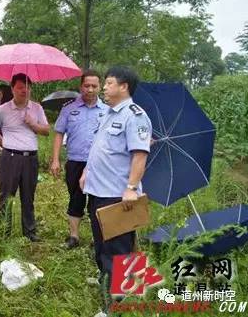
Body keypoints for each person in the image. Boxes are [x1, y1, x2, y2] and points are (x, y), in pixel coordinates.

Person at [79, 66, 152, 314]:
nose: (104, 87)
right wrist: (86, 172)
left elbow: (140, 155)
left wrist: (131, 188)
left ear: (124, 87)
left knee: (118, 252)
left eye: (109, 83)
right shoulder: (109, 113)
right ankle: (104, 280)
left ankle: (115, 306)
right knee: (101, 245)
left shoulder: (135, 116)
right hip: (97, 191)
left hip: (117, 195)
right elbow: (100, 148)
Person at [51, 69, 108, 249]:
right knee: (75, 198)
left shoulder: (108, 111)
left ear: (100, 87)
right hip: (75, 161)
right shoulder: (69, 109)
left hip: (99, 163)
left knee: (97, 201)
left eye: (94, 86)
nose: (90, 90)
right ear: (80, 86)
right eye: (86, 86)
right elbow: (59, 134)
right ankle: (74, 237)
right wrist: (55, 160)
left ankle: (97, 238)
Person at [0, 73, 50, 242]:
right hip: (10, 157)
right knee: (6, 196)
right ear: (12, 89)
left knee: (28, 196)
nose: (25, 90)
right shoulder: (3, 110)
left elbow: (46, 131)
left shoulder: (36, 108)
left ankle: (29, 232)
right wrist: (5, 144)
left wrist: (32, 124)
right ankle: (4, 233)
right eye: (21, 87)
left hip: (31, 158)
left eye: (28, 87)